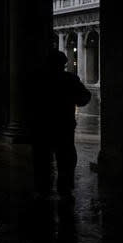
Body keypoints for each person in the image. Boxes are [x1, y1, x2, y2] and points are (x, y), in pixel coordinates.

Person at [33, 49, 91, 197]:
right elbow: (84, 98)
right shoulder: (69, 79)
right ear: (63, 64)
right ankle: (65, 187)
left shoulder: (38, 79)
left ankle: (42, 187)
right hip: (64, 125)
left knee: (42, 158)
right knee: (66, 158)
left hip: (42, 126)